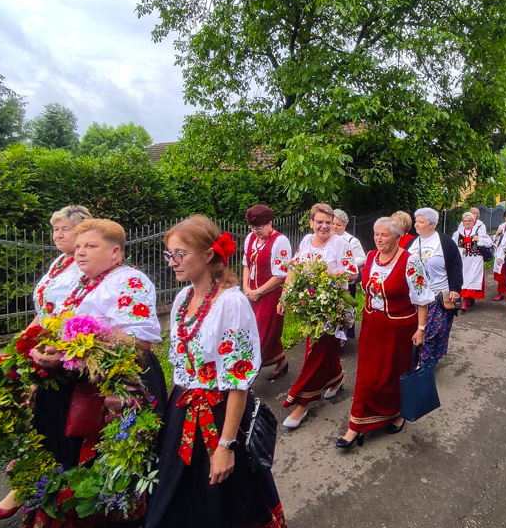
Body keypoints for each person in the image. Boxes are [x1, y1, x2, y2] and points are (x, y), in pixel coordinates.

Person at [145, 215, 286, 528]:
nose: (172, 262)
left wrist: (226, 446)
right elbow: (181, 368)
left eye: (180, 254)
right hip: (183, 412)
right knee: (174, 497)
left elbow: (238, 381)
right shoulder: (182, 299)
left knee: (224, 503)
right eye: (169, 254)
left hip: (220, 414)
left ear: (208, 255)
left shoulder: (231, 303)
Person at [24, 219, 167, 526]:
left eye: (90, 246)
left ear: (115, 253)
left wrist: (81, 346)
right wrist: (42, 349)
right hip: (75, 381)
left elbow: (140, 341)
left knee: (106, 466)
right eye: (77, 247)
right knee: (63, 453)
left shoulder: (129, 280)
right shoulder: (80, 283)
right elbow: (56, 326)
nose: (80, 253)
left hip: (115, 384)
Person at [0, 205, 93, 521]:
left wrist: (46, 347)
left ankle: (46, 497)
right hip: (42, 346)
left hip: (66, 355)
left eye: (65, 229)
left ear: (83, 232)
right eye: (55, 230)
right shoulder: (59, 263)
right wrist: (23, 341)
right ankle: (31, 489)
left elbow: (77, 315)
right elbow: (45, 310)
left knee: (56, 424)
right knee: (39, 421)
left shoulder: (86, 266)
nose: (58, 235)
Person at [336, 217, 434, 450]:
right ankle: (356, 425)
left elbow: (421, 300)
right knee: (367, 376)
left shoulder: (410, 262)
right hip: (372, 325)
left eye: (384, 235)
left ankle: (397, 413)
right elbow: (364, 288)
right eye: (376, 234)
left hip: (399, 328)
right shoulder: (370, 257)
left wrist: (421, 330)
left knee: (394, 373)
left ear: (397, 237)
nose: (379, 239)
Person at [280, 203, 357, 428]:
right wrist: (284, 296)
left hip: (331, 307)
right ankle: (336, 377)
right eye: (320, 222)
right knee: (326, 349)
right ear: (311, 222)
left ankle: (302, 402)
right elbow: (293, 268)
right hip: (308, 306)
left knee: (315, 351)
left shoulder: (340, 244)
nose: (324, 227)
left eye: (328, 223)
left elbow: (353, 273)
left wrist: (332, 275)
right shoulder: (305, 241)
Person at [406, 208, 463, 368]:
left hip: (438, 296)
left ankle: (424, 365)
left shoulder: (444, 242)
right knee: (417, 331)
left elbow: (456, 266)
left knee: (433, 332)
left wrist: (456, 289)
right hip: (416, 297)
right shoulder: (412, 243)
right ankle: (418, 360)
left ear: (431, 224)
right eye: (416, 221)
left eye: (420, 222)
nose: (416, 224)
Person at [242, 204, 292, 380]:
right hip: (252, 295)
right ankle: (281, 362)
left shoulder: (280, 241)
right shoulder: (250, 239)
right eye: (252, 227)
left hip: (271, 296)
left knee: (259, 336)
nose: (256, 231)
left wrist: (259, 292)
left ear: (270, 223)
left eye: (259, 227)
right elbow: (246, 264)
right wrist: (246, 287)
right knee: (252, 331)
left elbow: (281, 275)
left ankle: (246, 378)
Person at [333, 209, 367, 340]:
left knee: (344, 309)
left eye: (338, 225)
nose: (335, 227)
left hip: (346, 279)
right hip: (330, 279)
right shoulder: (327, 237)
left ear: (345, 226)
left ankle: (343, 338)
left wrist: (348, 264)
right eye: (333, 223)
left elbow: (362, 258)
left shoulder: (352, 240)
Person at [452, 211, 492, 312]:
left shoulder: (478, 232)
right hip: (464, 259)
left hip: (475, 259)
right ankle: (468, 299)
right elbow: (452, 246)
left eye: (469, 221)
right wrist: (461, 250)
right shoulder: (458, 233)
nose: (467, 223)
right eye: (465, 221)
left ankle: (465, 301)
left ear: (473, 222)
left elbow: (489, 243)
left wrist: (479, 239)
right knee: (463, 279)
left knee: (472, 278)